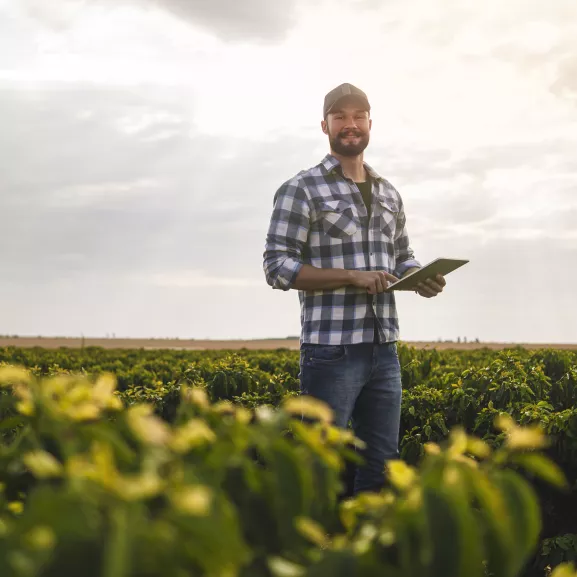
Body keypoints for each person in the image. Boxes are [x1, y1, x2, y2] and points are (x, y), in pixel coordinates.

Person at [262, 82, 445, 495]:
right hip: (331, 350)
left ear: (370, 124)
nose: (350, 124)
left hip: (384, 348)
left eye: (358, 116)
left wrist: (421, 277)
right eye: (340, 117)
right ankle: (311, 553)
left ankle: (365, 553)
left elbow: (401, 255)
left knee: (381, 465)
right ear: (324, 125)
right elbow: (277, 267)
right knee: (319, 465)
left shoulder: (388, 192)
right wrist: (350, 275)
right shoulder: (301, 189)